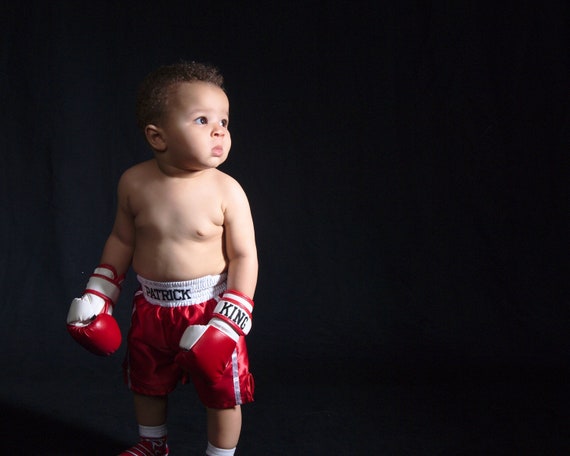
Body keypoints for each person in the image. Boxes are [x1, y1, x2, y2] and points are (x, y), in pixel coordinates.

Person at [66, 61, 258, 456]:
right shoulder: (134, 182)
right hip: (151, 307)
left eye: (224, 119)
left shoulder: (228, 191)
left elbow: (244, 256)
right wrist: (99, 294)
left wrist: (230, 319)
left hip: (209, 308)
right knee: (146, 383)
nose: (220, 130)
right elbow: (121, 240)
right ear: (158, 136)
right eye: (202, 120)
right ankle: (153, 446)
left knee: (222, 392)